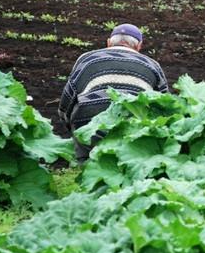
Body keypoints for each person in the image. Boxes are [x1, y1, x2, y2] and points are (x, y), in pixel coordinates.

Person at [58, 23, 168, 161]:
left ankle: (88, 168)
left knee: (89, 159)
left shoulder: (86, 59)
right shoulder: (152, 65)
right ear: (139, 45)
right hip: (132, 132)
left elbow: (67, 100)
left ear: (108, 43)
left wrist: (71, 128)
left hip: (90, 127)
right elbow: (164, 106)